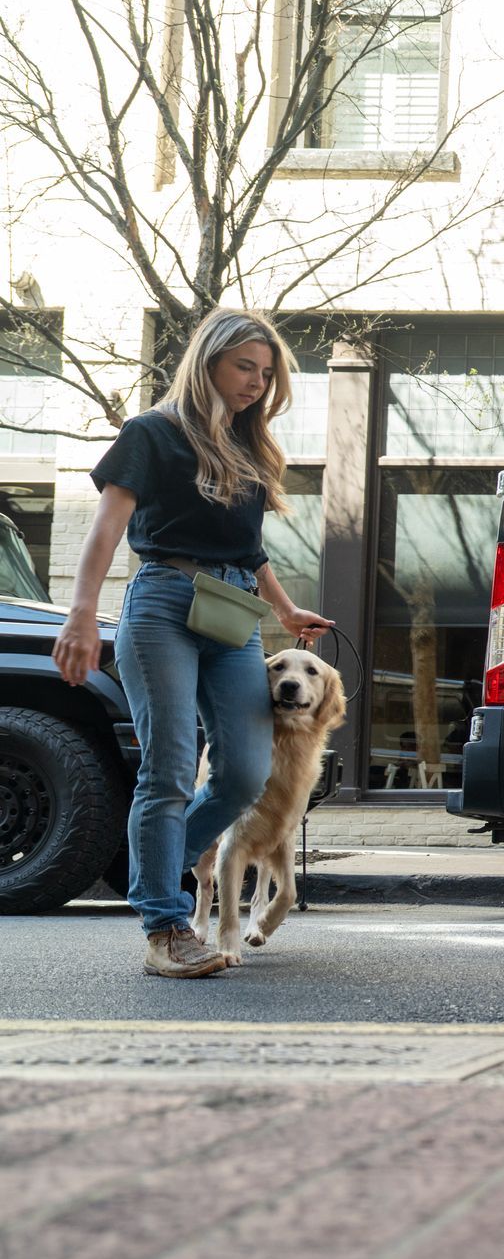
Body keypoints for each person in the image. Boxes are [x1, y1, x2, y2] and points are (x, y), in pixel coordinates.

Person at [53, 308, 332, 978]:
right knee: (172, 769)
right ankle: (165, 925)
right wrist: (82, 613)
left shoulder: (249, 446)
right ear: (208, 360)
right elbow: (106, 528)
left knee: (243, 772)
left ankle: (159, 862)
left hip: (233, 612)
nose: (257, 384)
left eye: (267, 375)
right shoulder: (152, 433)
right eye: (245, 367)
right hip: (163, 603)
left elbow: (249, 549)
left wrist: (287, 608)